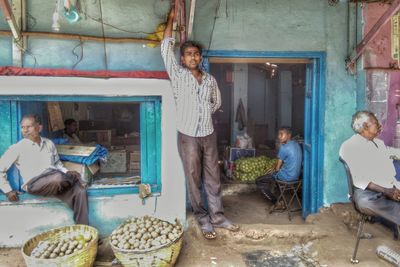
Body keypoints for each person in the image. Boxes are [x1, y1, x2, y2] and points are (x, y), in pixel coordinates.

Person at [161, 8, 239, 239]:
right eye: (189, 54)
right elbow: (166, 47)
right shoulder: (177, 75)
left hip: (208, 133)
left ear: (200, 57)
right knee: (194, 179)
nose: (193, 57)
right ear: (182, 59)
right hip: (187, 136)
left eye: (196, 54)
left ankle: (218, 216)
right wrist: (171, 19)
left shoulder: (210, 80)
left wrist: (204, 111)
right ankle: (203, 218)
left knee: (213, 176)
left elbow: (217, 102)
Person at [0, 114, 89, 225]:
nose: (25, 130)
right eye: (23, 127)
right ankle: (76, 179)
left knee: (80, 192)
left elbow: (57, 163)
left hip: (56, 181)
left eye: (29, 126)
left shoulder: (49, 143)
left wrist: (66, 171)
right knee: (59, 178)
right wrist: (7, 190)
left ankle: (84, 228)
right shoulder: (18, 148)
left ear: (39, 127)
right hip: (35, 183)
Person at [339, 110, 400, 225]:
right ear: (366, 126)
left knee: (394, 193)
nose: (379, 124)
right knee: (365, 202)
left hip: (389, 185)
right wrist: (386, 191)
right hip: (367, 191)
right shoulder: (349, 146)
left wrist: (390, 189)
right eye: (376, 122)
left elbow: (392, 152)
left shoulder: (377, 143)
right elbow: (359, 179)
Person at [258, 126, 302, 205]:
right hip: (296, 177)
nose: (279, 137)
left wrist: (271, 171)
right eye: (279, 134)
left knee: (259, 180)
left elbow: (277, 168)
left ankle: (276, 202)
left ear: (289, 135)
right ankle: (281, 196)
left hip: (287, 177)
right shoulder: (296, 144)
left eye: (281, 134)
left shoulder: (284, 148)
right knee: (273, 176)